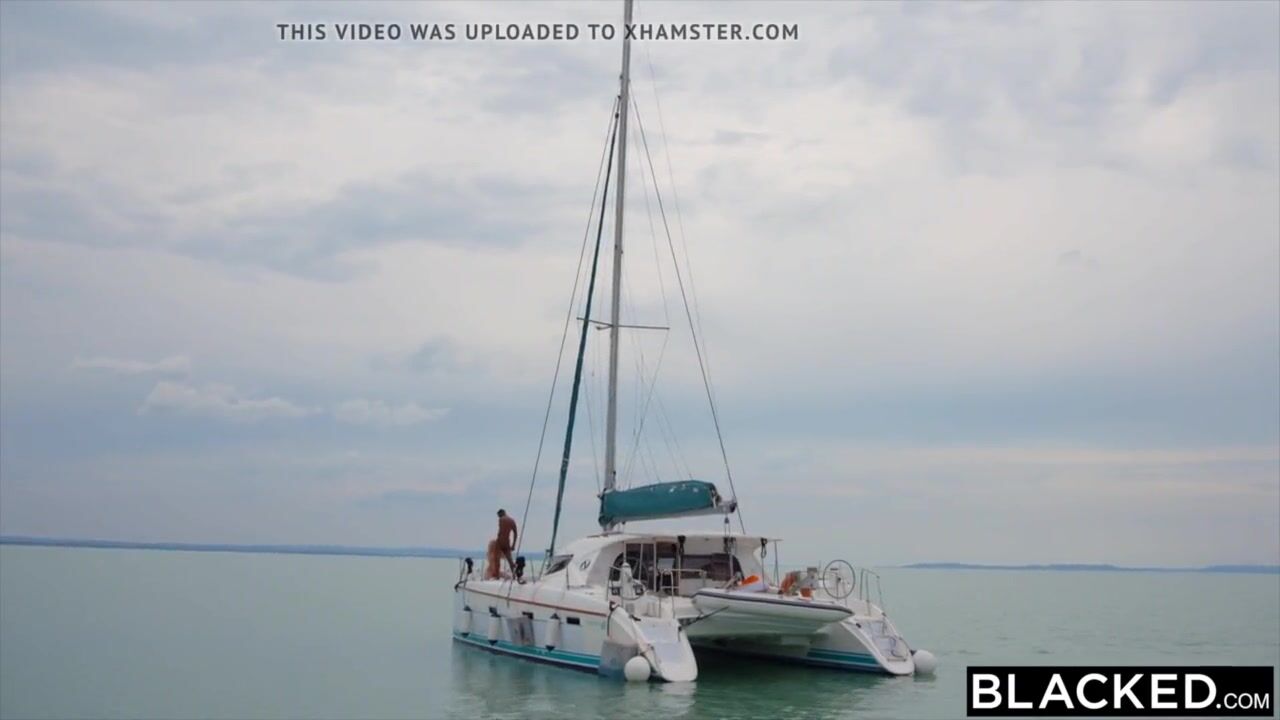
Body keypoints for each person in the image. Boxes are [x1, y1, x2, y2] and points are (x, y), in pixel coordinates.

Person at [496, 509, 518, 576]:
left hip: (500, 541)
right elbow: (515, 533)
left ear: (501, 513)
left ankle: (496, 574)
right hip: (507, 542)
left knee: (495, 557)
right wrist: (513, 544)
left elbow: (500, 531)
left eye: (499, 515)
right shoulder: (512, 520)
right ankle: (514, 573)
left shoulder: (501, 519)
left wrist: (498, 541)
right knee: (509, 559)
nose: (498, 517)